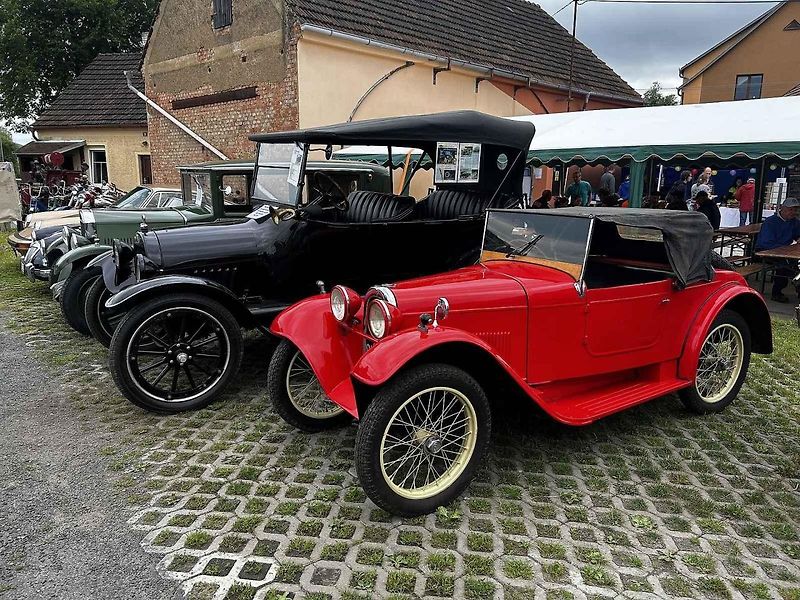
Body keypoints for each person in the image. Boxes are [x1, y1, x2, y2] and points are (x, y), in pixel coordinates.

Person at [755, 197, 800, 302]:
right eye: (791, 209)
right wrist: (784, 248)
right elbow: (765, 243)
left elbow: (797, 233)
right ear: (782, 209)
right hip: (767, 251)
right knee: (784, 265)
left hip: (785, 251)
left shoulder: (794, 221)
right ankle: (776, 292)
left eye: (795, 210)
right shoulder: (770, 222)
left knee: (793, 263)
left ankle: (797, 286)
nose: (793, 212)